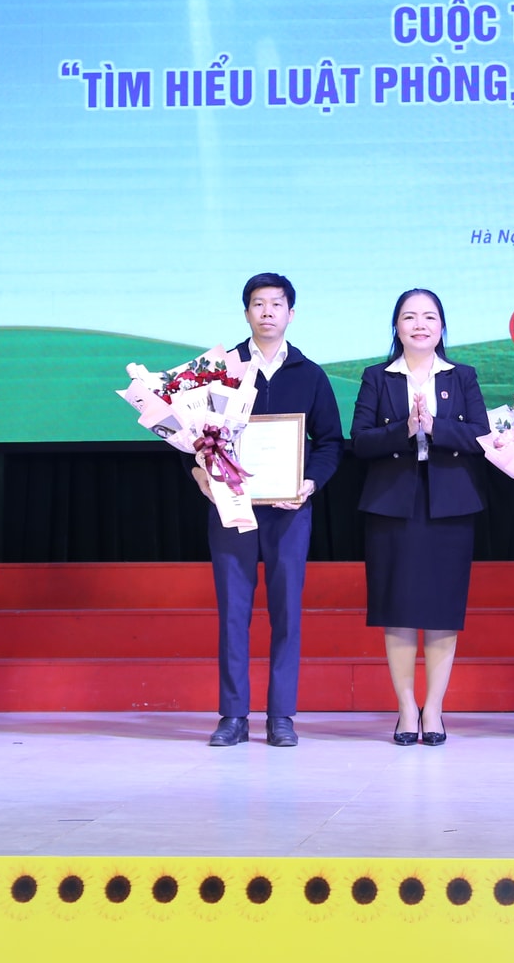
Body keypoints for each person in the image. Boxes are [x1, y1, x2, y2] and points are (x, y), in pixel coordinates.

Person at [194, 273, 343, 749]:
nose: (267, 312)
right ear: (246, 313)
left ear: (290, 314)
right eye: (258, 304)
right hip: (232, 504)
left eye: (276, 304)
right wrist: (198, 472)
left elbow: (330, 442)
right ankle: (233, 715)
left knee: (287, 613)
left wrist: (309, 483)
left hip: (289, 508)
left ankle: (281, 716)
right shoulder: (220, 370)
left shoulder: (310, 374)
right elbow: (193, 432)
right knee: (233, 612)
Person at [350, 288, 489, 746]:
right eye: (409, 317)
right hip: (393, 504)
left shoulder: (462, 376)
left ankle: (435, 708)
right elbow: (360, 441)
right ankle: (406, 707)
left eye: (429, 317)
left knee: (443, 610)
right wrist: (405, 429)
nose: (420, 325)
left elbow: (482, 438)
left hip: (450, 504)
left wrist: (435, 427)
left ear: (442, 326)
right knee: (400, 609)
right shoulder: (377, 377)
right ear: (397, 326)